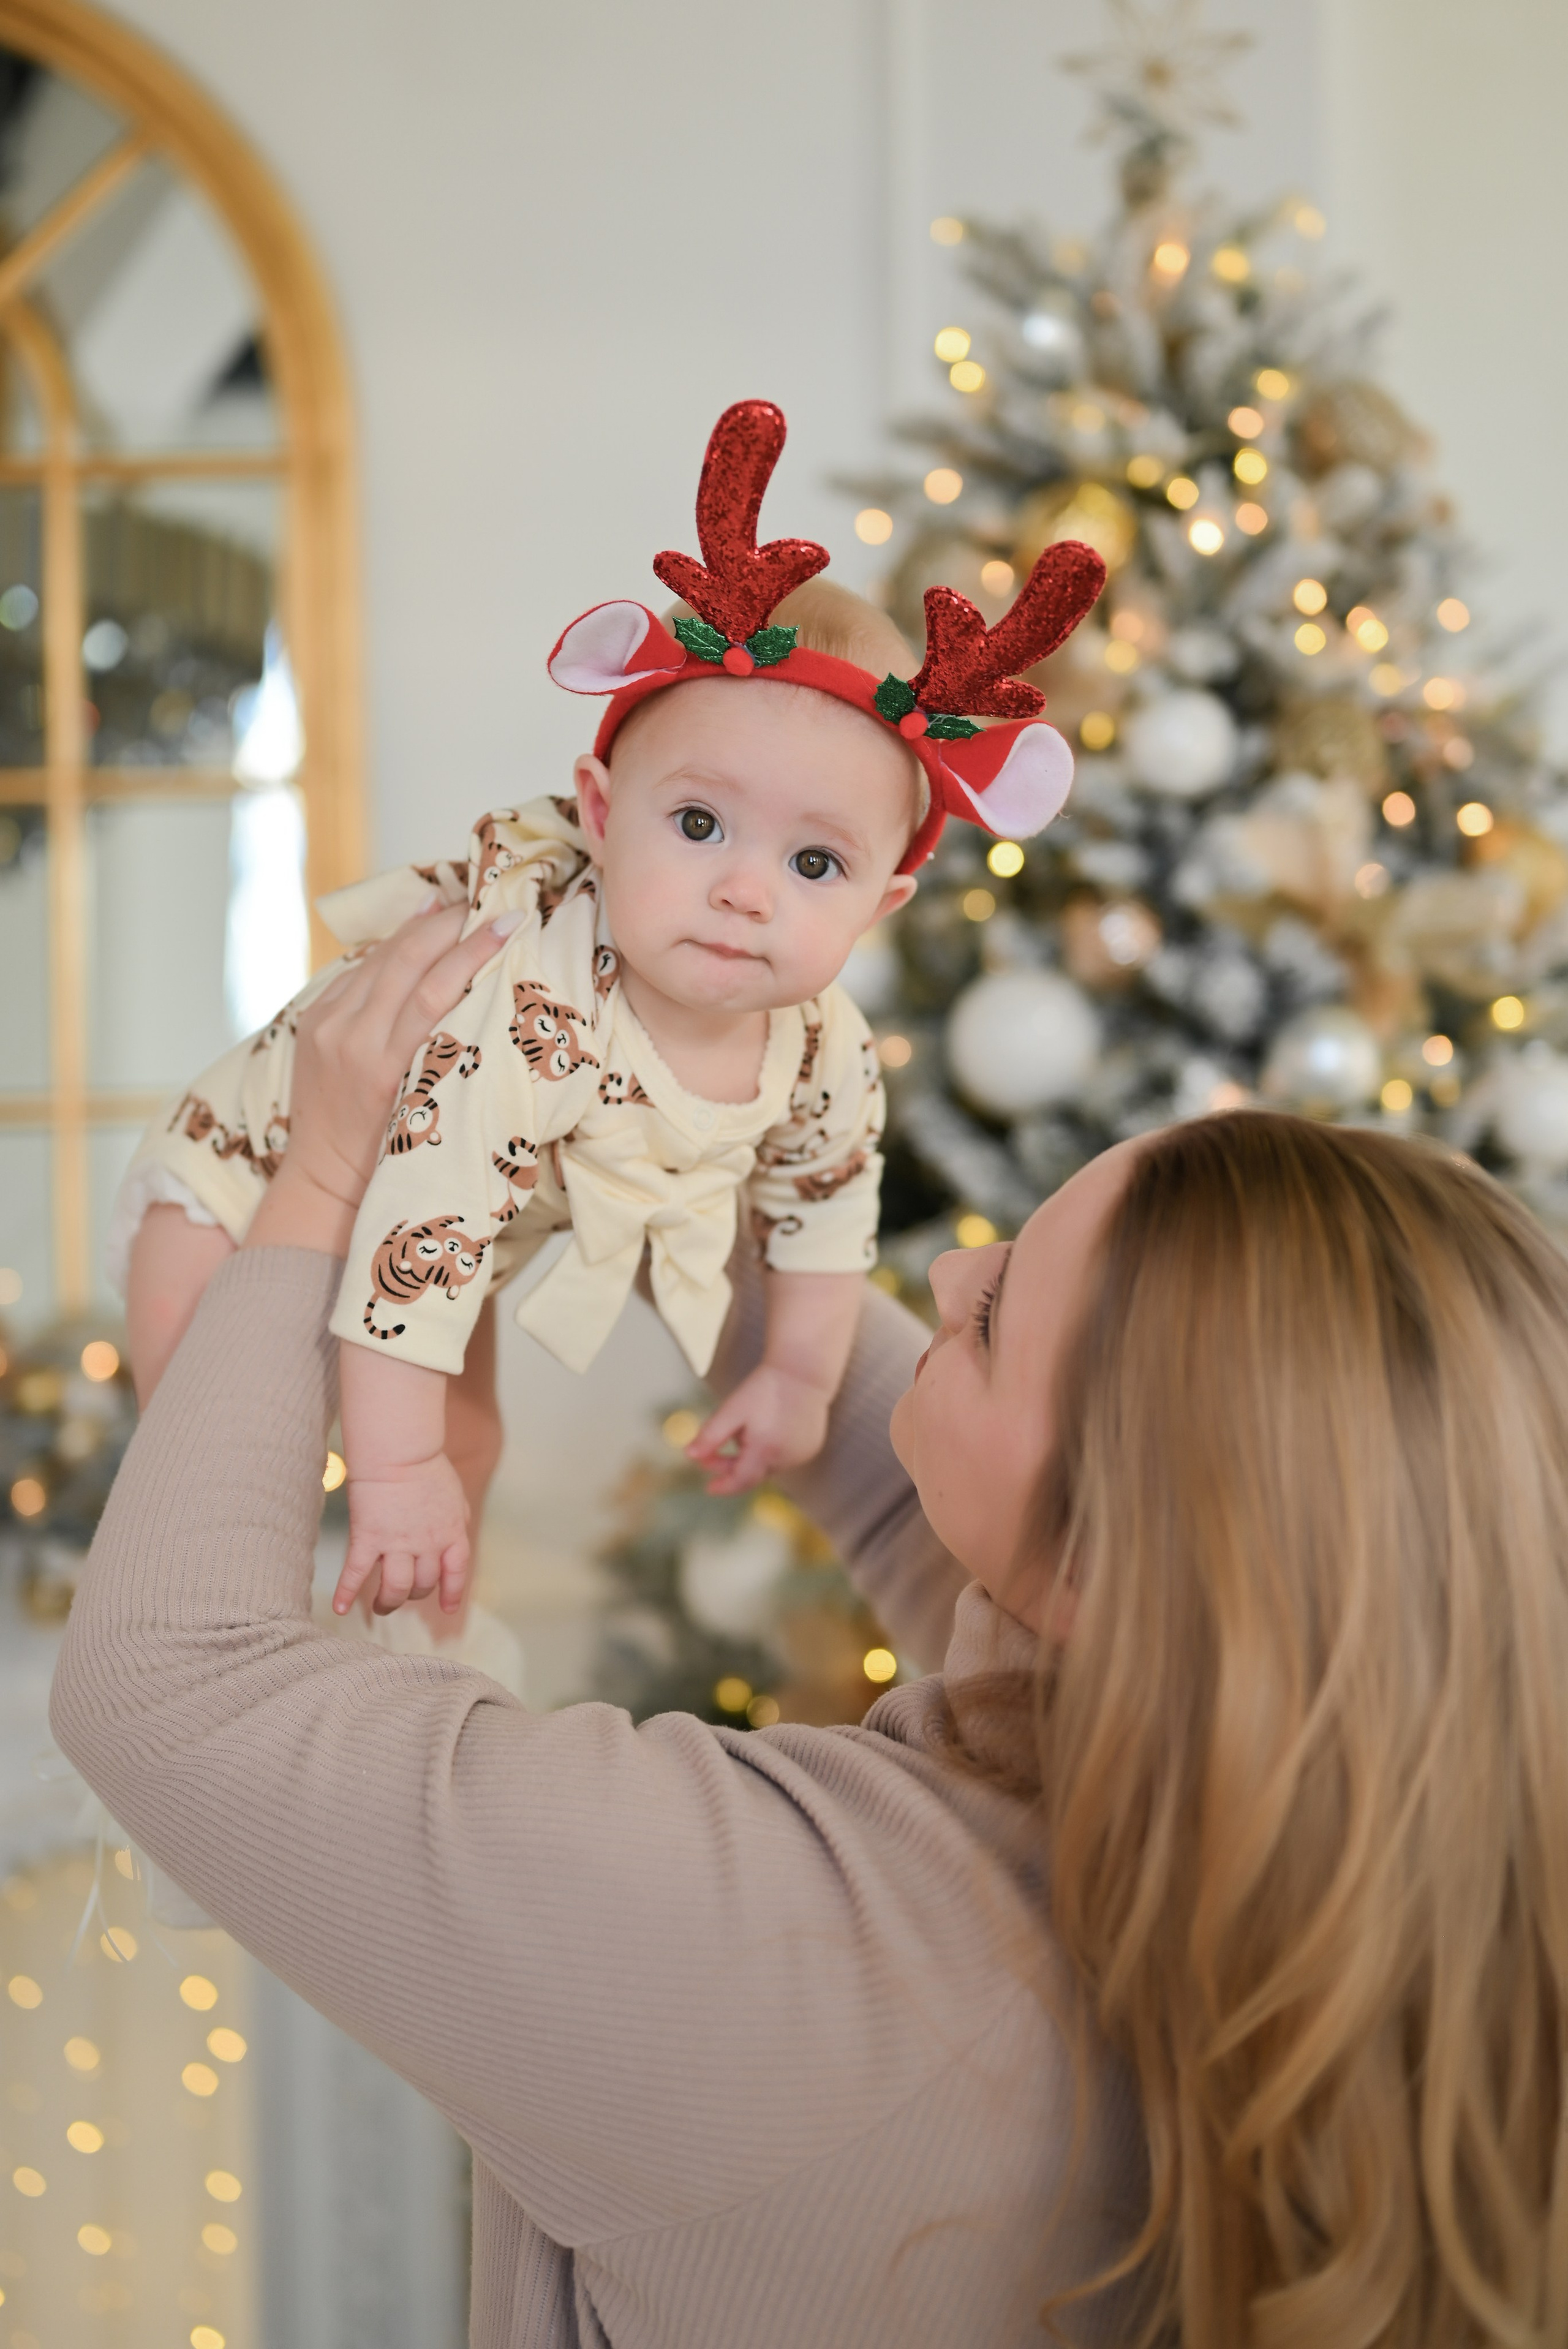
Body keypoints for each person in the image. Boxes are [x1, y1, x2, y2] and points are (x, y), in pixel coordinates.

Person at [53, 908, 1568, 2347]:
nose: (950, 1269)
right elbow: (909, 1472)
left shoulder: (790, 1953)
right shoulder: (1360, 1866)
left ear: (1111, 1561)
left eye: (992, 1313)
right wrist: (637, 1105)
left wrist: (326, 1177)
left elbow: (173, 1681)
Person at [109, 397, 1104, 1632]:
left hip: (450, 1238)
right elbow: (422, 1231)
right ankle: (238, 1627)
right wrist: (393, 1474)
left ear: (883, 901)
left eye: (814, 863)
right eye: (698, 824)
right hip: (242, 1182)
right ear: (599, 810)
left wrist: (798, 1380)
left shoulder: (822, 1050)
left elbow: (823, 1204)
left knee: (464, 1447)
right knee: (206, 1443)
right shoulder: (537, 1006)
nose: (744, 890)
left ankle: (420, 1650)